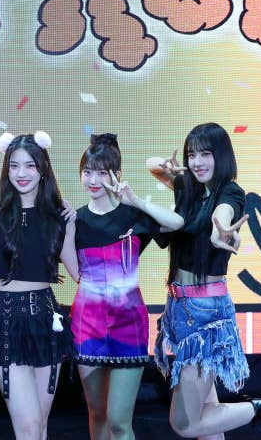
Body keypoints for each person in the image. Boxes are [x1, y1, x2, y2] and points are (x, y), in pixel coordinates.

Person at [149, 122, 261, 440]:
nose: (197, 162)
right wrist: (167, 167)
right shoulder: (188, 188)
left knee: (185, 423)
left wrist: (223, 233)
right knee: (208, 417)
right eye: (192, 154)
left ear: (222, 156)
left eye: (206, 154)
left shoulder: (229, 192)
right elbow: (152, 165)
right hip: (179, 309)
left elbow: (223, 216)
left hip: (205, 315)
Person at [59, 133, 183, 440]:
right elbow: (76, 275)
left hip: (129, 325)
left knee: (118, 421)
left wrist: (136, 201)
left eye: (102, 172)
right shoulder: (77, 220)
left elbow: (177, 223)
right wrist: (68, 228)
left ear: (117, 174)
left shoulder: (133, 216)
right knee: (97, 414)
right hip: (88, 325)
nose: (93, 180)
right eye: (88, 171)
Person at [0, 131, 76, 440]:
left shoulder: (59, 215)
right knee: (28, 427)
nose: (21, 173)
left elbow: (78, 272)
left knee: (40, 427)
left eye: (30, 165)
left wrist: (74, 225)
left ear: (43, 169)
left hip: (47, 319)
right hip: (5, 320)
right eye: (14, 166)